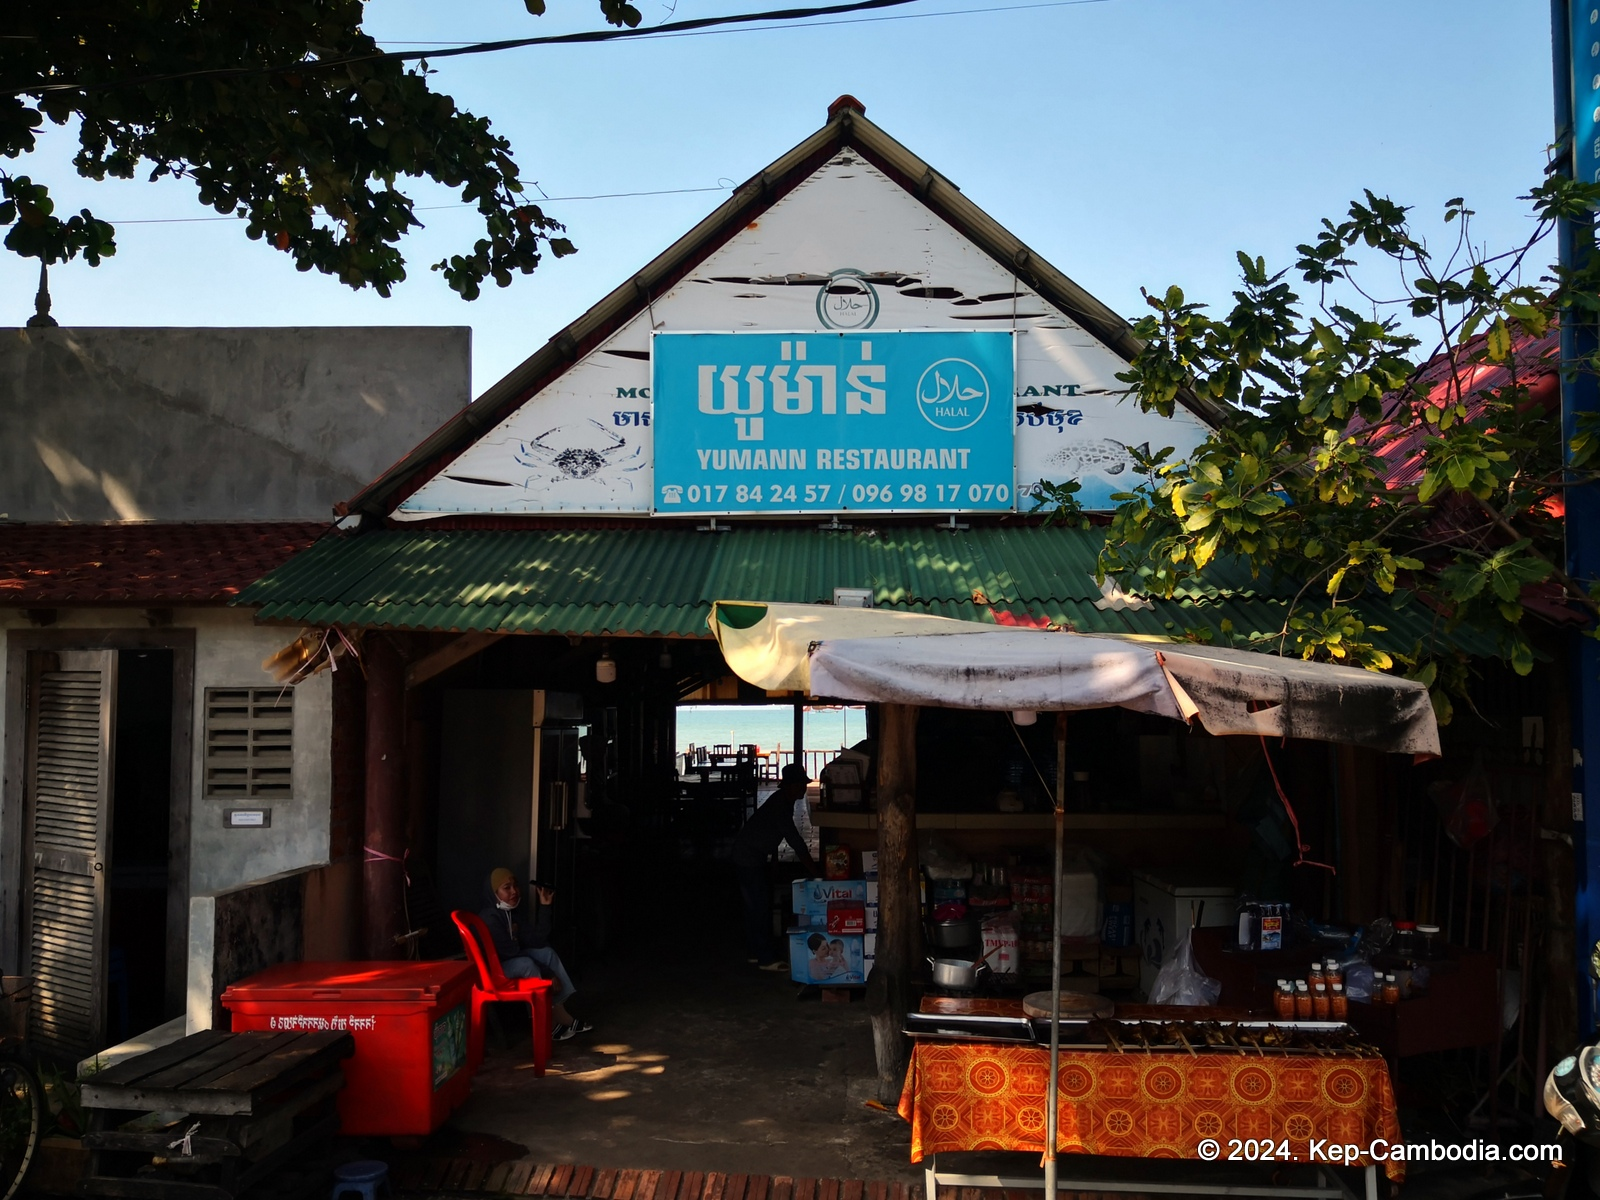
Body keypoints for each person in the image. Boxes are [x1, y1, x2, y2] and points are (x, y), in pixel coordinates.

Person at [478, 868, 593, 1041]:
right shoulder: (490, 918)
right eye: (507, 888)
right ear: (494, 893)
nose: (514, 891)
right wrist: (548, 973)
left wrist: (545, 907)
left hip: (509, 960)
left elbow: (537, 940)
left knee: (547, 953)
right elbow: (510, 953)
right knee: (526, 964)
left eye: (515, 886)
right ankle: (544, 1022)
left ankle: (561, 1014)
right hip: (495, 969)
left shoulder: (511, 914)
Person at [731, 764, 818, 970]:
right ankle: (765, 958)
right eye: (800, 785)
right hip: (748, 856)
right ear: (789, 786)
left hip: (752, 854)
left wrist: (774, 861)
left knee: (755, 905)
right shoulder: (780, 806)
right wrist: (816, 872)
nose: (803, 789)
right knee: (759, 906)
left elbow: (774, 834)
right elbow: (796, 842)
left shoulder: (783, 801)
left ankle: (755, 951)